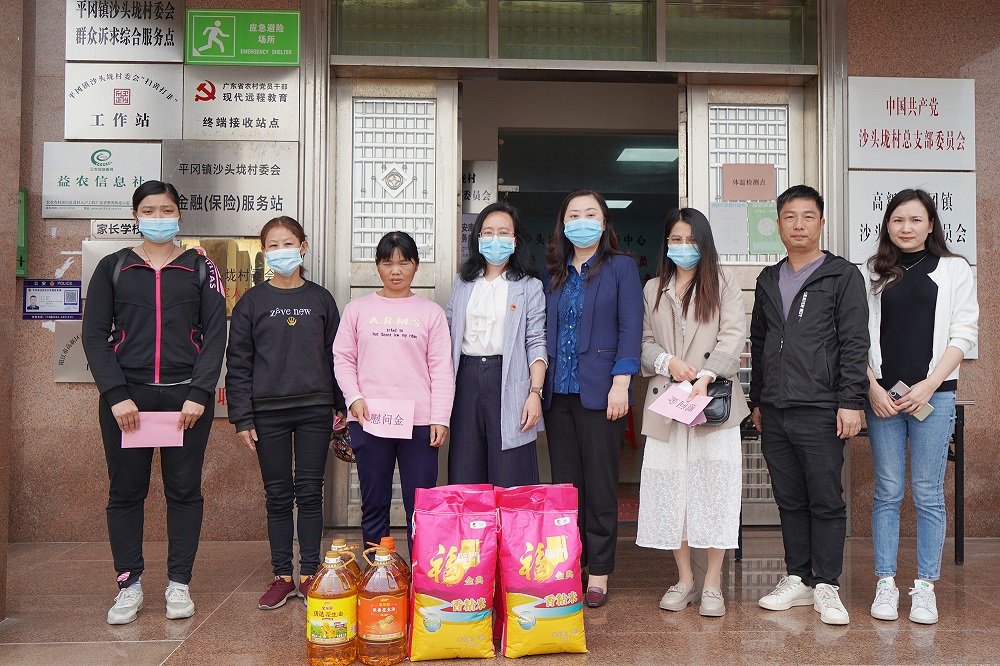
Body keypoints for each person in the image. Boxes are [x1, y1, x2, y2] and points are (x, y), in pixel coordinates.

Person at [82, 180, 227, 625]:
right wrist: (116, 395)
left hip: (186, 401)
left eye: (166, 210)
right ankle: (129, 586)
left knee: (184, 490)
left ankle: (179, 583)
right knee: (126, 492)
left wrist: (199, 393)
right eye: (149, 210)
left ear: (179, 215)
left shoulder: (202, 267)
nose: (158, 218)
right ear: (135, 216)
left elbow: (216, 334)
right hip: (130, 400)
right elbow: (93, 335)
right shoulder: (113, 266)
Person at [750, 184, 869, 625]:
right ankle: (798, 578)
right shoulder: (768, 278)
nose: (798, 225)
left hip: (821, 407)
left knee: (825, 499)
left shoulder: (842, 276)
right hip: (775, 409)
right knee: (789, 499)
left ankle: (827, 584)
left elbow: (855, 342)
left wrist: (851, 401)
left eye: (807, 216)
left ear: (821, 223)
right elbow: (759, 343)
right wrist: (757, 399)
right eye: (789, 216)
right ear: (778, 224)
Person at [863, 189, 978, 625]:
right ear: (887, 226)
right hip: (883, 398)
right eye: (898, 220)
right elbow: (856, 336)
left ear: (931, 225)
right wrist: (871, 387)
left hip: (935, 394)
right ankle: (885, 583)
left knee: (928, 492)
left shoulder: (953, 268)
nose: (906, 227)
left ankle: (925, 587)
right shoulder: (872, 272)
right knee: (888, 490)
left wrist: (930, 385)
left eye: (915, 219)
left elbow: (963, 333)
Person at [225, 216, 347, 610]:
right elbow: (238, 362)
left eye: (288, 243)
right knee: (277, 494)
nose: (282, 251)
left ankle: (310, 574)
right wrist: (242, 417)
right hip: (267, 414)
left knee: (310, 492)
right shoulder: (251, 302)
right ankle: (282, 575)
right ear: (264, 252)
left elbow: (337, 356)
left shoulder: (321, 299)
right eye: (273, 245)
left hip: (315, 409)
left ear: (303, 247)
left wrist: (341, 405)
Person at [636, 208, 749, 617]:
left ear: (705, 243)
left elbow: (734, 335)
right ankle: (685, 579)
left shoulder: (723, 282)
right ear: (666, 243)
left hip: (711, 401)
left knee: (715, 489)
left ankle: (713, 582)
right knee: (672, 491)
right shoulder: (653, 288)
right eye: (676, 240)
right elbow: (644, 341)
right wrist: (667, 362)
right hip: (669, 403)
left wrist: (705, 375)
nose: (683, 247)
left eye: (691, 240)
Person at [541, 188, 643, 608]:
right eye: (573, 215)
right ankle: (571, 564)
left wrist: (622, 382)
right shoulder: (552, 272)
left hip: (602, 392)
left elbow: (631, 327)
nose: (581, 221)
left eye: (590, 214)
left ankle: (599, 571)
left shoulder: (621, 267)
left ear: (603, 223)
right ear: (563, 224)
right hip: (558, 392)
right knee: (566, 487)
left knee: (600, 486)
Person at [333, 231, 454, 556]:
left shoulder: (431, 313)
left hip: (419, 423)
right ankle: (377, 571)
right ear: (377, 265)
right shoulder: (357, 310)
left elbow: (442, 369)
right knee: (374, 502)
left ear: (416, 265)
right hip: (371, 420)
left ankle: (422, 572)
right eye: (388, 263)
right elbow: (342, 357)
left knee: (421, 506)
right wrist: (353, 397)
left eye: (404, 262)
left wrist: (440, 418)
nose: (396, 270)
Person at [446, 202, 546, 487]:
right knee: (466, 468)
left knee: (510, 472)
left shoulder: (529, 286)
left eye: (503, 232)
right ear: (478, 238)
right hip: (465, 378)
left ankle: (510, 520)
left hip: (509, 377)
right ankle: (472, 520)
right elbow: (447, 331)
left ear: (515, 240)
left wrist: (535, 392)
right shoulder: (462, 282)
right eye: (488, 232)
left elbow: (536, 340)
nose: (495, 239)